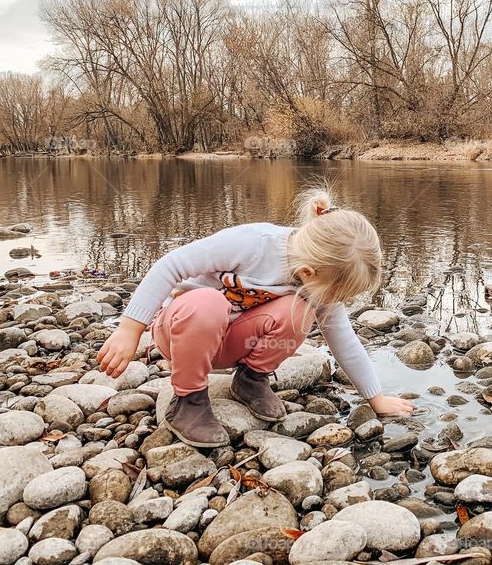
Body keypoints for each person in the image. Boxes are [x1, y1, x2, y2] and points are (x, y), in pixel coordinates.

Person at [96, 187, 414, 447]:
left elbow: (344, 340)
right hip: (184, 333)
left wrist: (376, 398)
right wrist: (130, 328)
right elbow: (171, 264)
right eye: (336, 296)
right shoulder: (253, 244)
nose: (335, 303)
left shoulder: (315, 278)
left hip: (232, 342)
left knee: (301, 310)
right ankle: (188, 400)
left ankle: (250, 381)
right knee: (210, 303)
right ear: (307, 272)